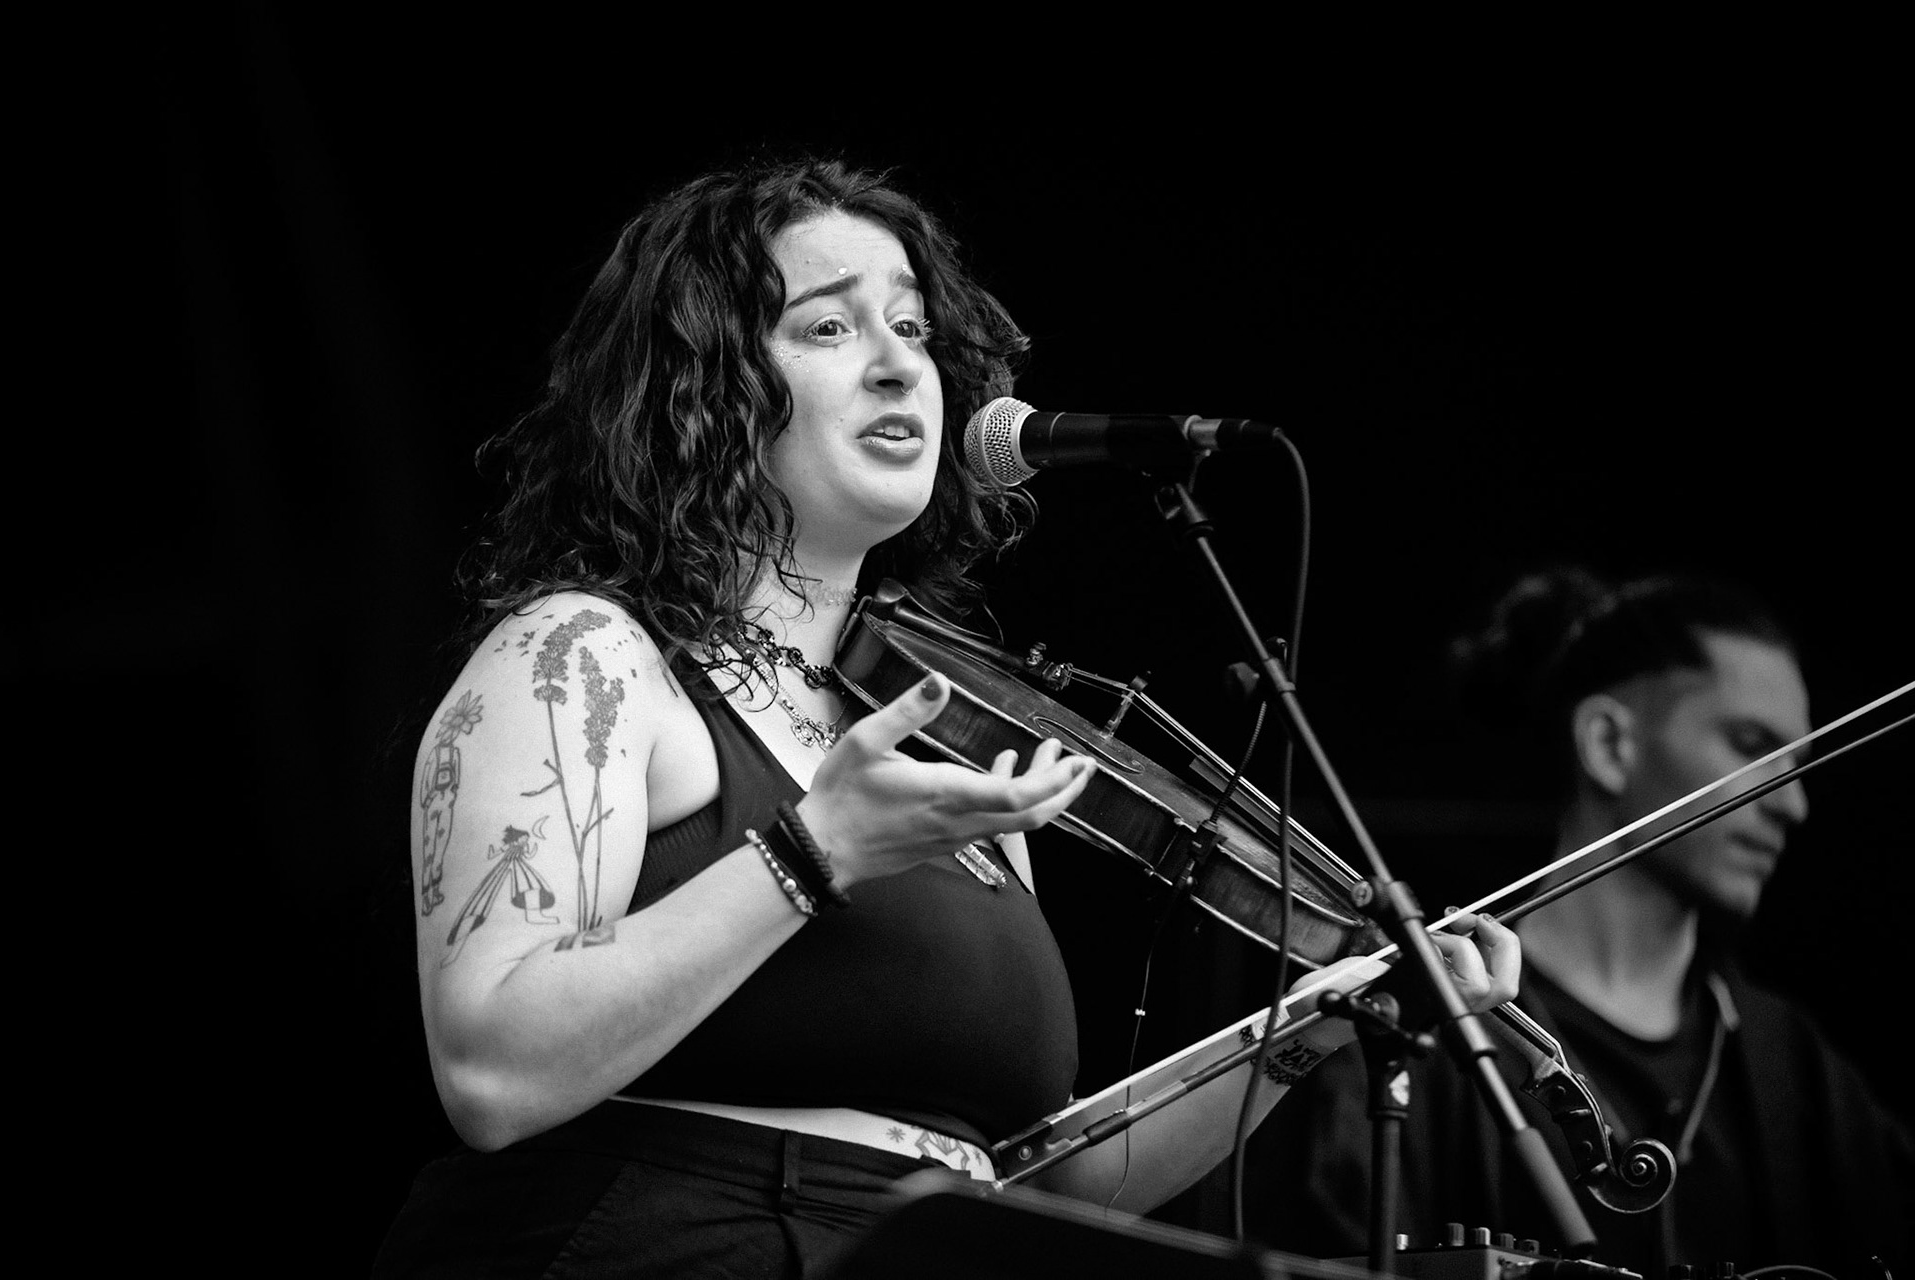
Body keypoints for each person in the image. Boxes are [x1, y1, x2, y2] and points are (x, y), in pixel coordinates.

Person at [370, 157, 1521, 1278]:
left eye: (912, 330)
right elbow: (495, 1070)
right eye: (827, 328)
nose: (896, 368)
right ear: (700, 386)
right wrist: (815, 851)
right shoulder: (584, 655)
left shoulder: (944, 733)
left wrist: (1320, 1020)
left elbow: (1045, 1182)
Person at [1246, 567, 1914, 1278]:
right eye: (1752, 746)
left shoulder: (1800, 1072)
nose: (1793, 805)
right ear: (1609, 744)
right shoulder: (1409, 1023)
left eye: (1800, 765)